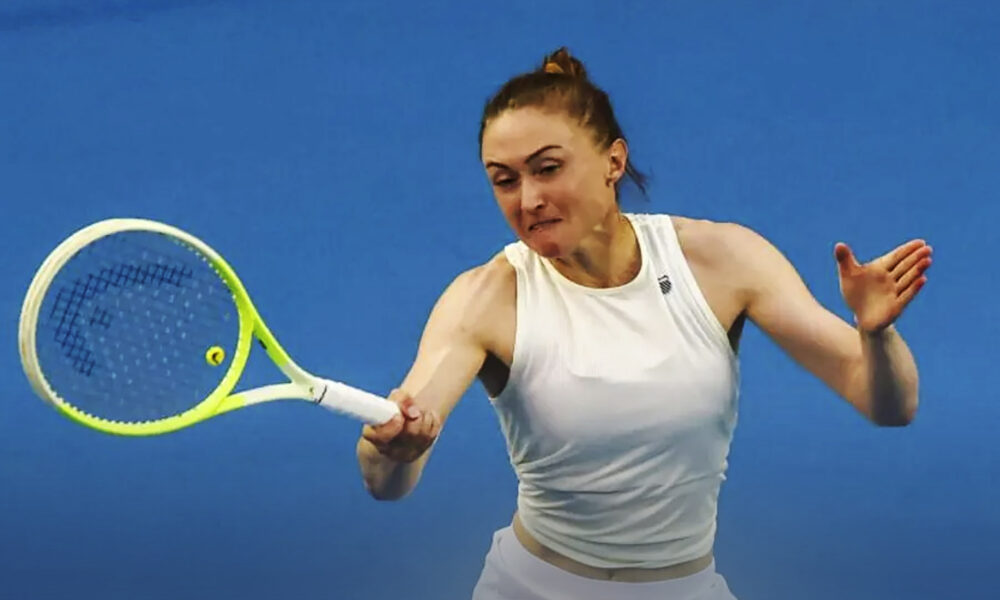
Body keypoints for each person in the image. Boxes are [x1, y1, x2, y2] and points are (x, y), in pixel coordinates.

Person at [355, 47, 932, 600]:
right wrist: (393, 451)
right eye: (504, 180)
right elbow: (388, 479)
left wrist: (875, 334)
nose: (527, 200)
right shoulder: (485, 298)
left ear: (613, 161)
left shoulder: (721, 261)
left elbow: (889, 405)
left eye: (548, 168)